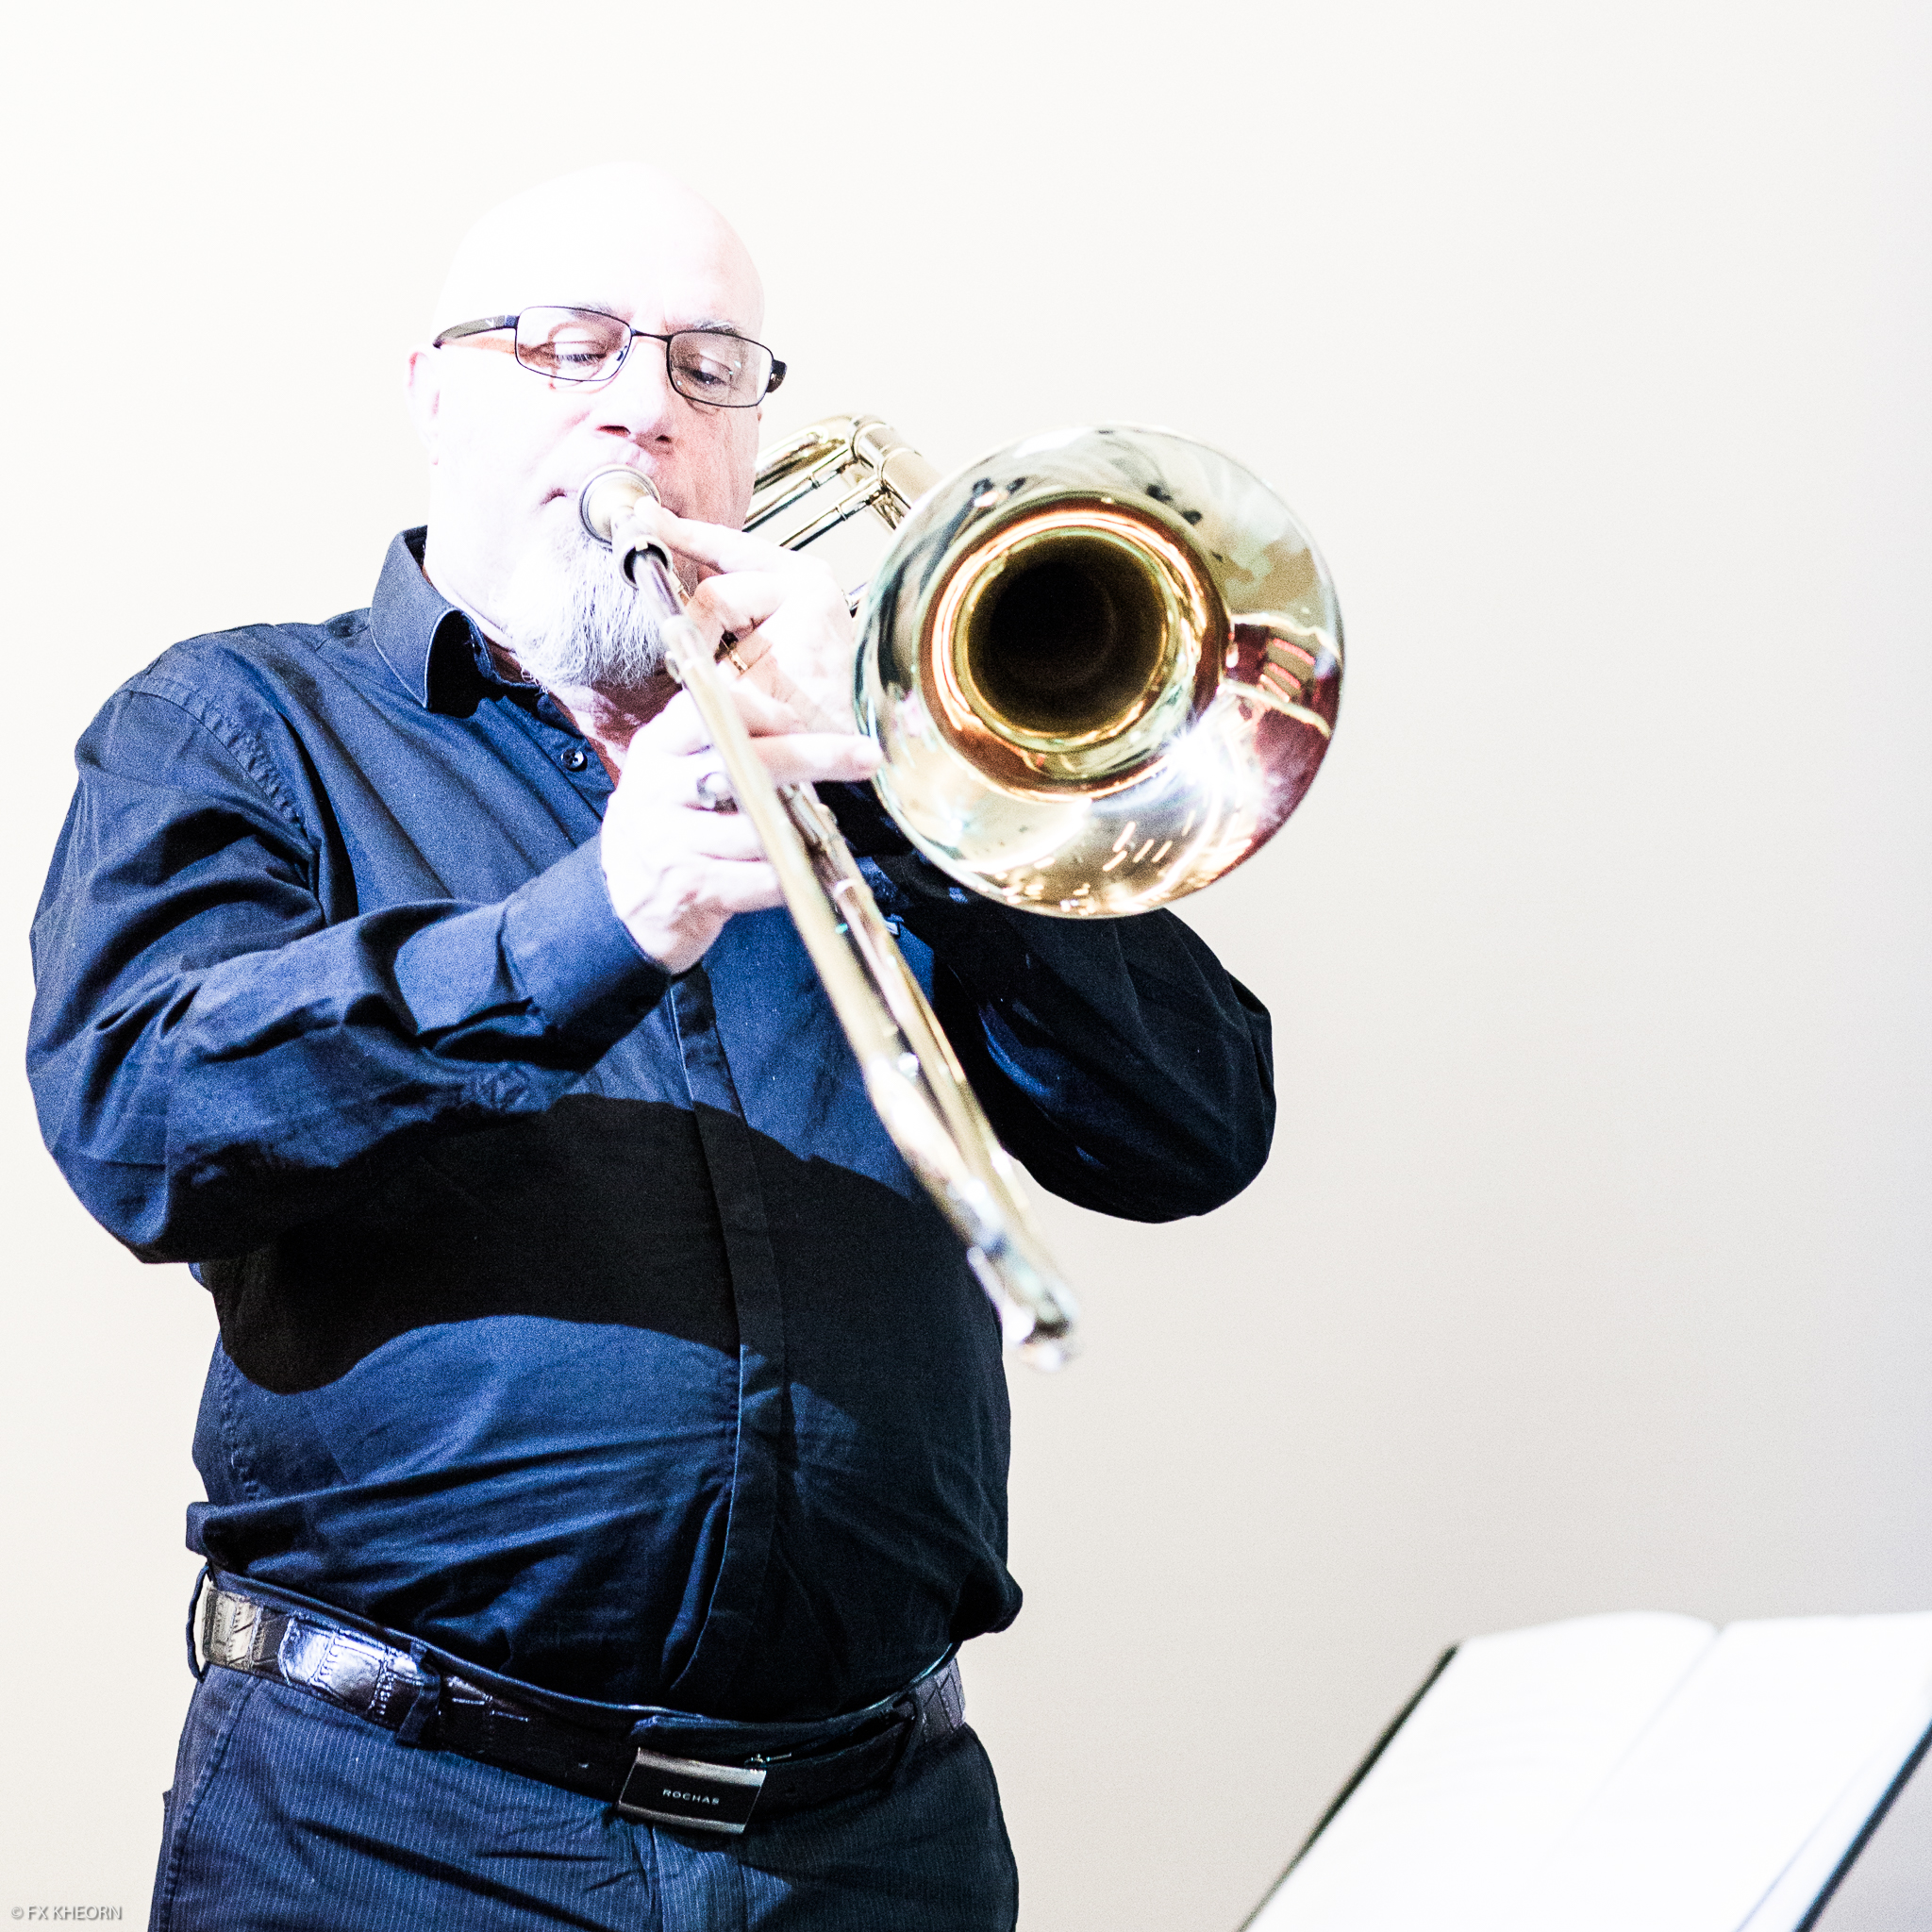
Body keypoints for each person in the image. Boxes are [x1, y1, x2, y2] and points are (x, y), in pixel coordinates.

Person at [27, 163, 1276, 1932]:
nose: (645, 407)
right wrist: (592, 923)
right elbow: (142, 1118)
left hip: (874, 1843)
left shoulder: (881, 771)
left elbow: (1199, 1128)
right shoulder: (243, 724)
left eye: (708, 365)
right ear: (436, 397)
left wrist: (913, 790)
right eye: (569, 347)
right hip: (395, 1832)